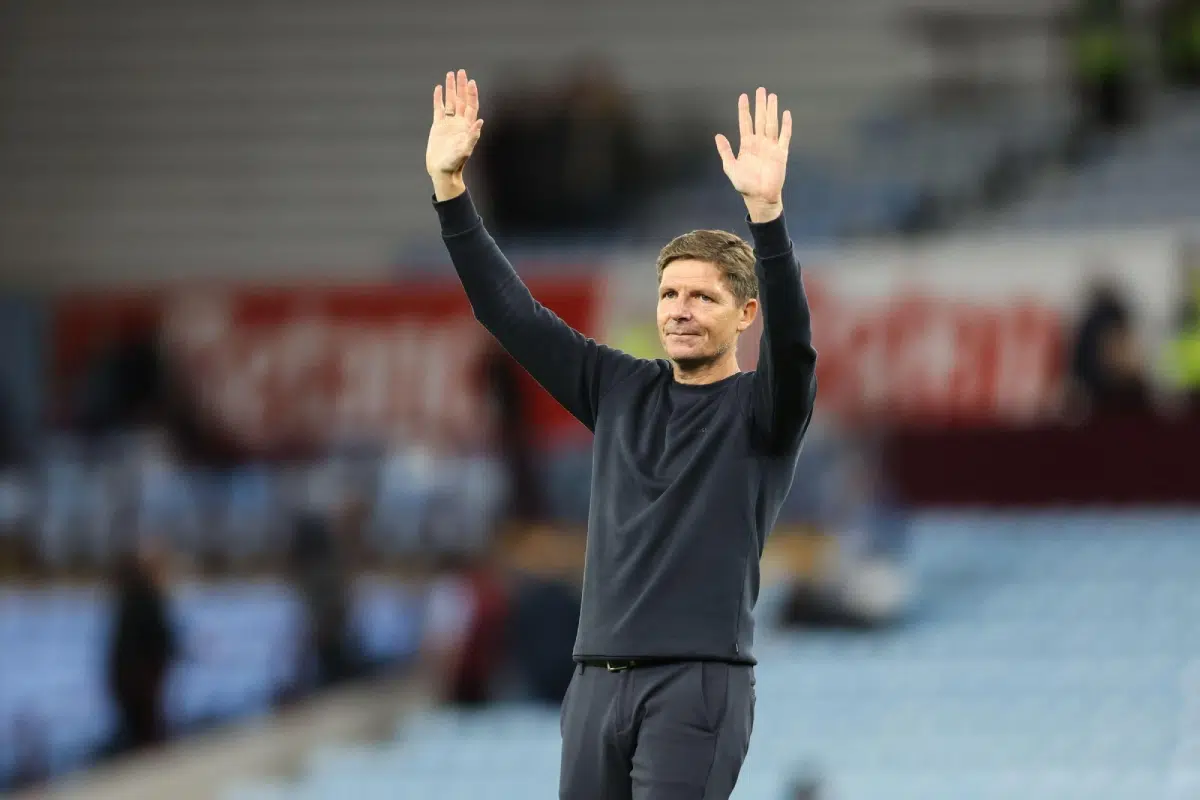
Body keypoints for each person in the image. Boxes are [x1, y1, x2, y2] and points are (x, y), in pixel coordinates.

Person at [426, 70, 817, 799]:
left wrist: (767, 218)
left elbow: (795, 349)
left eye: (704, 295)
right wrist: (451, 193)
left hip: (696, 686)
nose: (680, 309)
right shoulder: (618, 387)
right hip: (594, 683)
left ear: (745, 314)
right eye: (670, 293)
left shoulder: (764, 413)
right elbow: (511, 312)